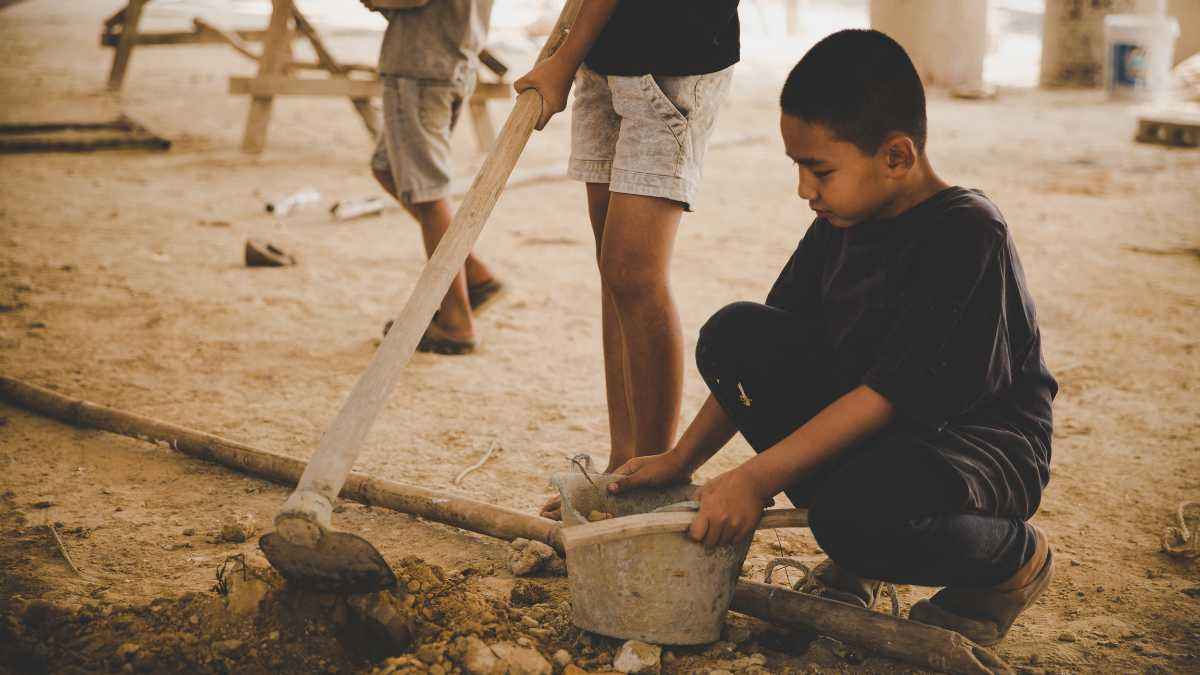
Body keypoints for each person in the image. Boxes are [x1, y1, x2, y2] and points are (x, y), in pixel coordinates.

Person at [608, 29, 1059, 647]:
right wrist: (682, 461)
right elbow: (757, 365)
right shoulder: (842, 221)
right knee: (734, 334)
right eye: (798, 167)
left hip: (973, 447)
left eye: (819, 169)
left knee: (853, 516)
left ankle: (1011, 562)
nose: (804, 189)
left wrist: (754, 480)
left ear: (897, 156)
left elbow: (889, 394)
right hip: (883, 435)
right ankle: (857, 552)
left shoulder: (966, 233)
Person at [514, 1, 741, 518]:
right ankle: (625, 462)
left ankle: (653, 476)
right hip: (606, 52)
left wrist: (565, 59)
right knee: (613, 271)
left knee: (632, 271)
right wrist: (576, 53)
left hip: (673, 61)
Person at [366, 0, 504, 354]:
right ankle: (471, 272)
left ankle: (456, 322)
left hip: (422, 66)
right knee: (388, 169)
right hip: (446, 61)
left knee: (428, 194)